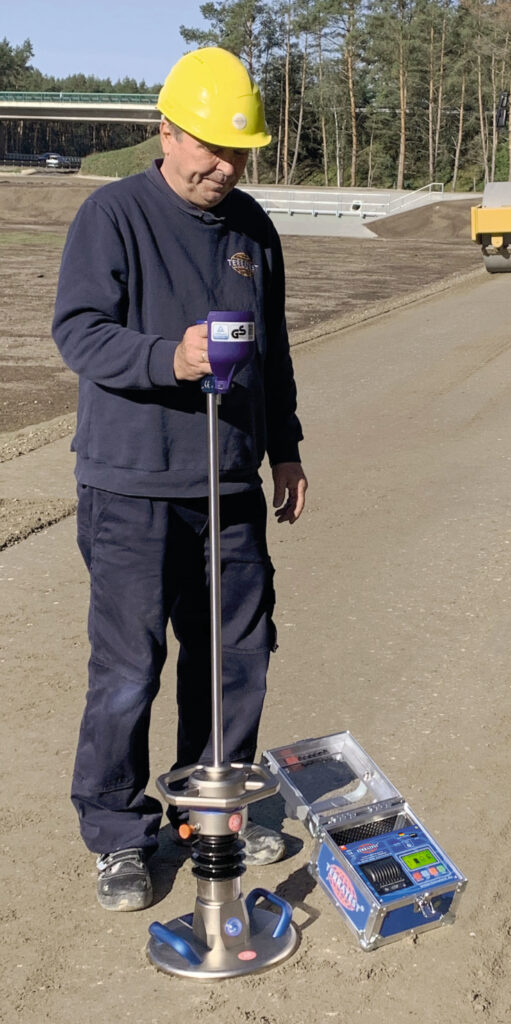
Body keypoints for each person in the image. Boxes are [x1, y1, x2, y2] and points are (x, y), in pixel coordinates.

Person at [52, 47, 307, 912]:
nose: (224, 168)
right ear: (165, 131)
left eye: (239, 154)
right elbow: (79, 333)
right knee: (129, 667)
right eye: (209, 148)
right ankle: (120, 833)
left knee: (236, 660)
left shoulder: (253, 229)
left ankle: (210, 810)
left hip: (228, 488)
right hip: (131, 488)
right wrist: (172, 357)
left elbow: (270, 355)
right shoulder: (112, 215)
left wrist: (287, 448)